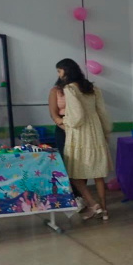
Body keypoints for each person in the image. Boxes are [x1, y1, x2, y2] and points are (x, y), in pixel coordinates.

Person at [57, 59, 113, 221]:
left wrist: (65, 121)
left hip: (80, 133)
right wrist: (106, 131)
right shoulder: (92, 88)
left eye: (59, 71)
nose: (59, 75)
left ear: (66, 71)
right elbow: (102, 112)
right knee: (98, 173)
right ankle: (104, 210)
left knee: (75, 173)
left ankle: (93, 205)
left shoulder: (70, 88)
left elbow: (77, 117)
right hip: (96, 130)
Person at [48, 81, 85, 210]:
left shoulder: (79, 89)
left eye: (61, 71)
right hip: (63, 127)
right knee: (67, 162)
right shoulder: (55, 91)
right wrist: (65, 127)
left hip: (79, 128)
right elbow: (53, 113)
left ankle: (80, 196)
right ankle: (72, 196)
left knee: (81, 163)